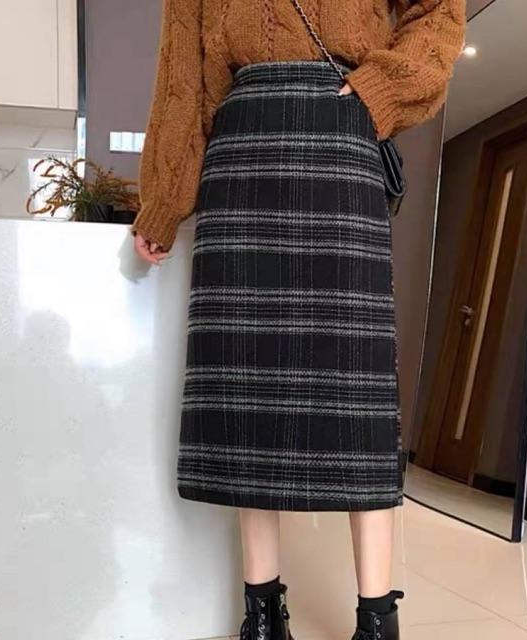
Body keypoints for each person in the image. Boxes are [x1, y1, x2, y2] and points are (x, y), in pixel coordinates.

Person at [131, 1, 465, 638]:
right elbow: (183, 75)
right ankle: (261, 613)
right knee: (248, 386)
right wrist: (165, 200)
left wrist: (379, 90)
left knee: (356, 390)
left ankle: (377, 616)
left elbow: (438, 11)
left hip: (342, 131)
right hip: (240, 148)